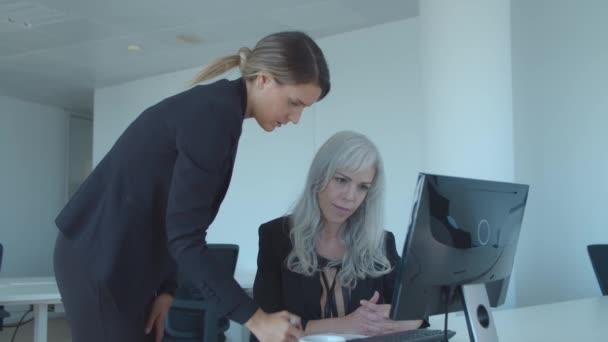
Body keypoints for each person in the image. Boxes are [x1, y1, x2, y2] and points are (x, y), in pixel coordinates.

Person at [53, 31, 330, 342]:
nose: (295, 118)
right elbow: (185, 236)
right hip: (99, 258)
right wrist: (256, 319)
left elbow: (171, 215)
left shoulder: (221, 110)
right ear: (263, 79)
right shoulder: (213, 116)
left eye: (304, 108)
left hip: (126, 261)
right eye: (294, 103)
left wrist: (166, 289)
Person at [253, 131, 425, 338]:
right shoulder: (276, 236)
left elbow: (419, 315)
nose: (350, 197)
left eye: (362, 187)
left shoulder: (380, 242)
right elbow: (264, 327)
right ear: (319, 177)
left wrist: (397, 319)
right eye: (341, 180)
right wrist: (345, 324)